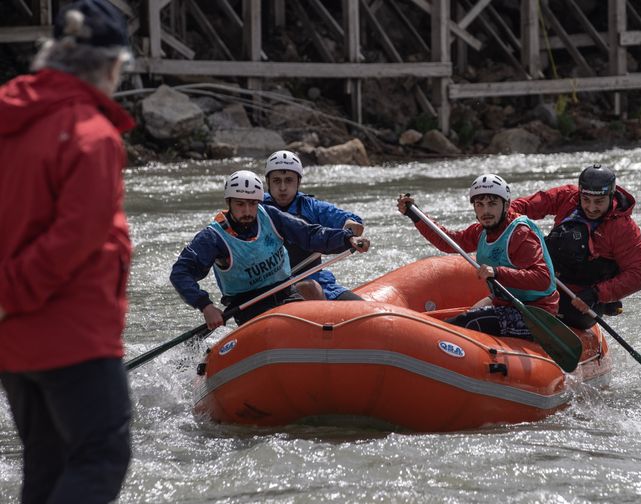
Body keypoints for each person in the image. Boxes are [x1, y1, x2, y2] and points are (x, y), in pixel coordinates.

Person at [0, 1, 134, 502]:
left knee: (46, 466)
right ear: (111, 66)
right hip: (71, 332)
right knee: (102, 456)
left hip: (13, 338)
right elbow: (76, 237)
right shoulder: (91, 135)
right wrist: (11, 294)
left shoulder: (8, 118)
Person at [170, 170, 370, 330]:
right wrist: (205, 305)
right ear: (228, 203)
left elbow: (310, 235)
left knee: (311, 288)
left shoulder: (270, 216)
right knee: (283, 327)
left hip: (286, 292)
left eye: (252, 204)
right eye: (240, 204)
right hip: (249, 305)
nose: (247, 211)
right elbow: (180, 273)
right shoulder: (213, 237)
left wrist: (347, 239)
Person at [397, 174, 559, 339]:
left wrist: (497, 272)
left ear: (506, 205)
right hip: (506, 302)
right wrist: (415, 215)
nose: (486, 211)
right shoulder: (481, 231)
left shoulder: (521, 234)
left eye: (492, 204)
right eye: (479, 205)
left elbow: (543, 279)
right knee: (460, 319)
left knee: (465, 324)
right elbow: (448, 242)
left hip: (535, 313)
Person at [510, 164, 641, 330]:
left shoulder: (624, 229)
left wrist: (596, 294)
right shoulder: (568, 197)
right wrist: (503, 216)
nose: (591, 208)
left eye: (599, 202)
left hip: (582, 300)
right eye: (586, 200)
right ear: (580, 194)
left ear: (611, 197)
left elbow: (638, 276)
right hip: (546, 280)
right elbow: (526, 205)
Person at [262, 150, 365, 300]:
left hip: (316, 281)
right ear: (268, 182)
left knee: (359, 306)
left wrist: (350, 224)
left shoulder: (310, 206)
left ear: (298, 182)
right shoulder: (255, 208)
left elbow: (350, 220)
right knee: (307, 289)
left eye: (289, 180)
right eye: (277, 181)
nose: (283, 187)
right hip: (272, 289)